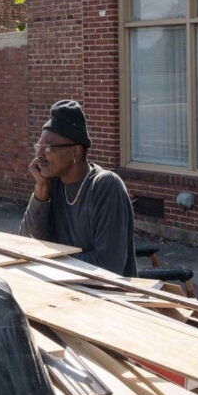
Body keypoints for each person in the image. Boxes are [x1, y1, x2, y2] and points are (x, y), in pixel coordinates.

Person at [18, 99, 138, 277]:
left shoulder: (104, 186)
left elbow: (109, 266)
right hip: (62, 291)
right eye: (39, 147)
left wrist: (49, 264)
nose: (39, 155)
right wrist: (41, 193)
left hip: (106, 297)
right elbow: (27, 244)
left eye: (48, 147)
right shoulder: (52, 183)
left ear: (76, 151)